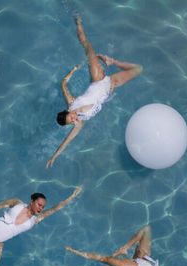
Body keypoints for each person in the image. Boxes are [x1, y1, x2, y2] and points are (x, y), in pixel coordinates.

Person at [46, 15, 143, 168]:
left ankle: (77, 21)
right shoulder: (79, 123)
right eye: (71, 122)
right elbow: (67, 141)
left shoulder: (71, 102)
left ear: (67, 111)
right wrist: (55, 156)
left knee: (88, 47)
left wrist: (72, 71)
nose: (73, 120)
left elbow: (63, 84)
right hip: (110, 86)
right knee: (138, 69)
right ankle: (114, 62)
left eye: (70, 118)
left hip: (98, 79)